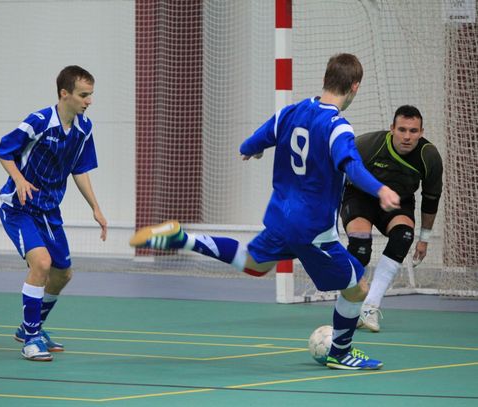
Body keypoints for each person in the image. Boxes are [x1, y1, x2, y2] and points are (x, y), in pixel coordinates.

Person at [130, 53, 400, 370]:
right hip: (311, 229)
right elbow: (350, 164)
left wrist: (251, 150)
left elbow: (253, 141)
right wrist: (380, 189)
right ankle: (340, 353)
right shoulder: (337, 126)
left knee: (254, 263)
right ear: (355, 86)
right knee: (357, 287)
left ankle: (183, 239)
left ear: (325, 78)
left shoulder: (290, 112)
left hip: (280, 217)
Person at [0, 65, 107, 361]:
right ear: (64, 94)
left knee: (63, 274)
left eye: (91, 95)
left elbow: (79, 169)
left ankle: (31, 327)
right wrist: (19, 180)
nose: (89, 101)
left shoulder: (84, 128)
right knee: (42, 264)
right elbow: (3, 150)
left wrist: (95, 207)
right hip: (18, 207)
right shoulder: (39, 121)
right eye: (84, 95)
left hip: (48, 210)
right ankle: (30, 340)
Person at [341, 105, 443, 332]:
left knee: (403, 236)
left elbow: (431, 198)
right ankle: (349, 305)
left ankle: (370, 306)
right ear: (392, 129)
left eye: (413, 131)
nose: (407, 137)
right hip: (360, 196)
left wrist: (424, 238)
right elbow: (337, 167)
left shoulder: (429, 157)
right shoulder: (368, 145)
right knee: (360, 247)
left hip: (398, 201)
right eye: (402, 130)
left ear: (421, 132)